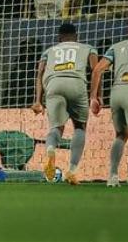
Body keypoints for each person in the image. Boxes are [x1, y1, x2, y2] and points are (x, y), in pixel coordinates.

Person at [31, 23, 98, 185]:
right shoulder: (88, 48)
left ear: (59, 38)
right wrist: (95, 96)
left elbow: (39, 74)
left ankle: (50, 150)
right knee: (80, 127)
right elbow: (96, 70)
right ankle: (72, 171)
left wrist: (37, 101)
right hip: (76, 83)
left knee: (56, 128)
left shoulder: (49, 51)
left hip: (53, 85)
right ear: (76, 36)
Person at [90, 13, 128, 187]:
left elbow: (97, 70)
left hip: (117, 93)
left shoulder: (117, 47)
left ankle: (113, 176)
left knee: (121, 135)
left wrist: (94, 97)